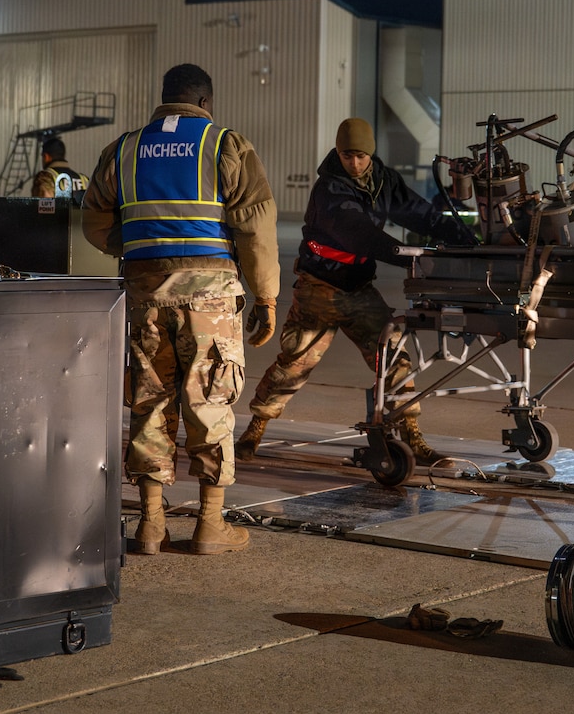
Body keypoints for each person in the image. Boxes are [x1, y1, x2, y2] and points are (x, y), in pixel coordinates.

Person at [83, 64, 278, 555]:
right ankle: (210, 524)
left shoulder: (123, 150)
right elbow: (255, 227)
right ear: (204, 103)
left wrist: (141, 250)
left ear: (164, 97)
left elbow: (94, 223)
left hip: (145, 294)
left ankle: (151, 525)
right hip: (210, 297)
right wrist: (266, 296)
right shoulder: (225, 145)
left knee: (150, 401)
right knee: (209, 400)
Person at [240, 118, 476, 465]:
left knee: (394, 357)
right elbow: (360, 234)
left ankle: (413, 438)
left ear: (371, 154)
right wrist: (410, 259)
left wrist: (467, 241)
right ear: (338, 153)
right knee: (294, 363)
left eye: (361, 156)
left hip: (359, 288)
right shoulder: (329, 189)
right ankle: (254, 431)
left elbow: (420, 215)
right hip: (319, 289)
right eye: (347, 155)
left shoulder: (384, 181)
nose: (354, 163)